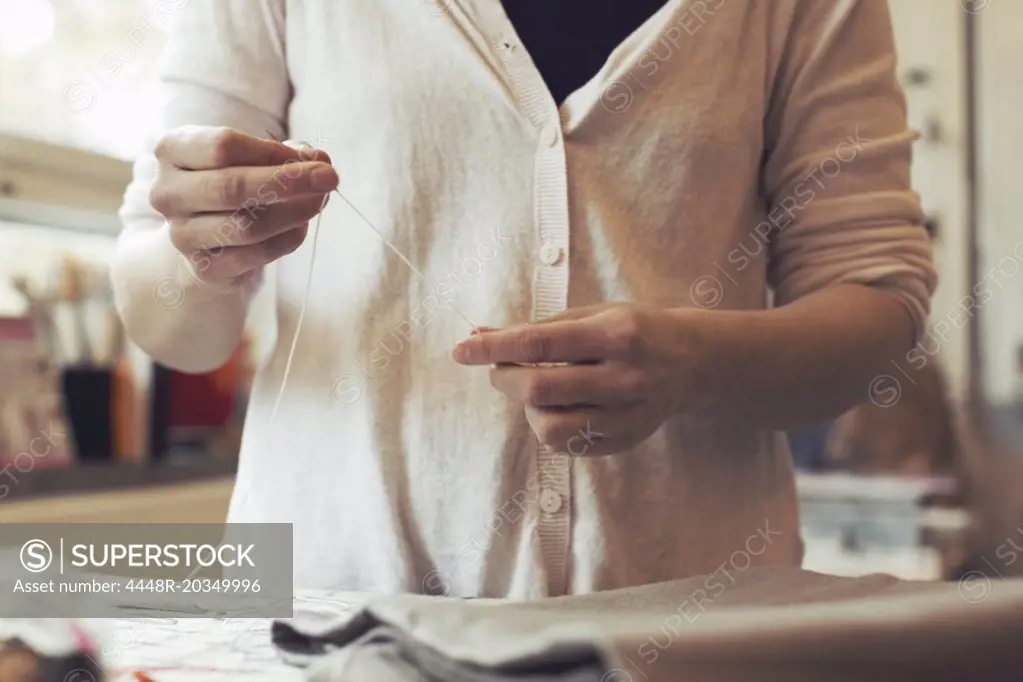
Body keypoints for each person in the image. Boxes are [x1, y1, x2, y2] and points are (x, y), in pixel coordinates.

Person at [111, 0, 937, 597]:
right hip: (334, 621)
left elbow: (876, 298)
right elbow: (174, 332)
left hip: (684, 623)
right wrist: (200, 250)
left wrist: (694, 366)